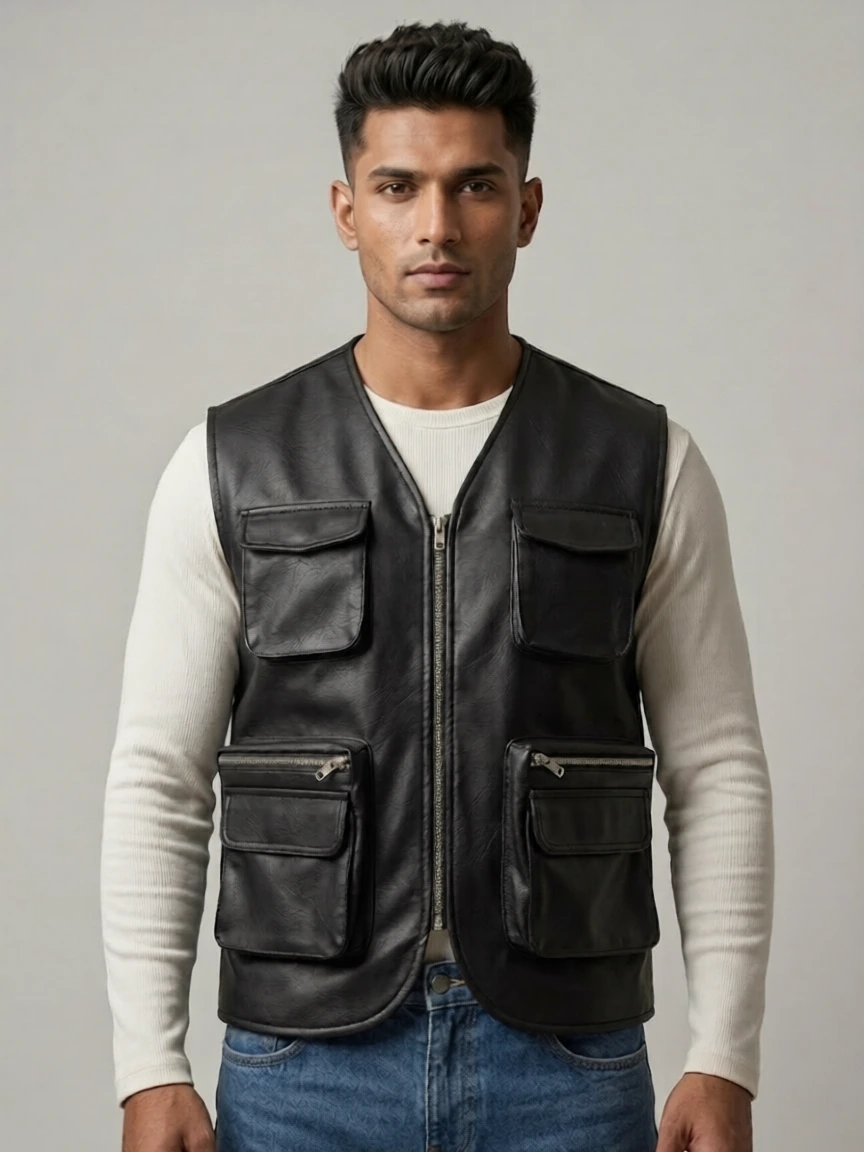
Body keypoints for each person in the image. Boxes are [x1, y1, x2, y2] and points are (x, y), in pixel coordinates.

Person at [101, 19, 774, 1152]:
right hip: (303, 1067)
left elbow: (717, 771)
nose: (436, 226)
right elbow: (158, 780)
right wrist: (147, 1066)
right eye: (398, 186)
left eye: (475, 186)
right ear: (345, 209)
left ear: (528, 207)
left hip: (568, 1062)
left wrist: (725, 1057)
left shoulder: (644, 462)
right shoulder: (232, 463)